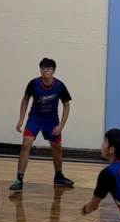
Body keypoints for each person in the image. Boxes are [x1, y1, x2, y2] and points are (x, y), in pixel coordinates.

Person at [10, 58, 73, 192]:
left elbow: (66, 105)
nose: (45, 71)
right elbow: (25, 99)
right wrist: (21, 119)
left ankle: (59, 176)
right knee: (26, 144)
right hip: (35, 119)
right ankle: (19, 179)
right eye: (43, 68)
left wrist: (61, 125)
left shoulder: (60, 86)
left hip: (51, 121)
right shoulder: (33, 83)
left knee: (57, 147)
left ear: (53, 71)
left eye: (48, 68)